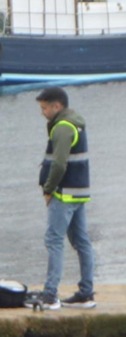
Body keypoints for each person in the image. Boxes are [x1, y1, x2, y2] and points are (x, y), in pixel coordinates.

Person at [31, 87, 95, 310]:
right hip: (79, 192)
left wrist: (49, 189)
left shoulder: (62, 128)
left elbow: (59, 164)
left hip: (64, 193)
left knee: (54, 240)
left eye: (44, 108)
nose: (43, 113)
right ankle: (87, 293)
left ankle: (50, 295)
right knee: (81, 242)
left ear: (56, 106)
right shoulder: (76, 123)